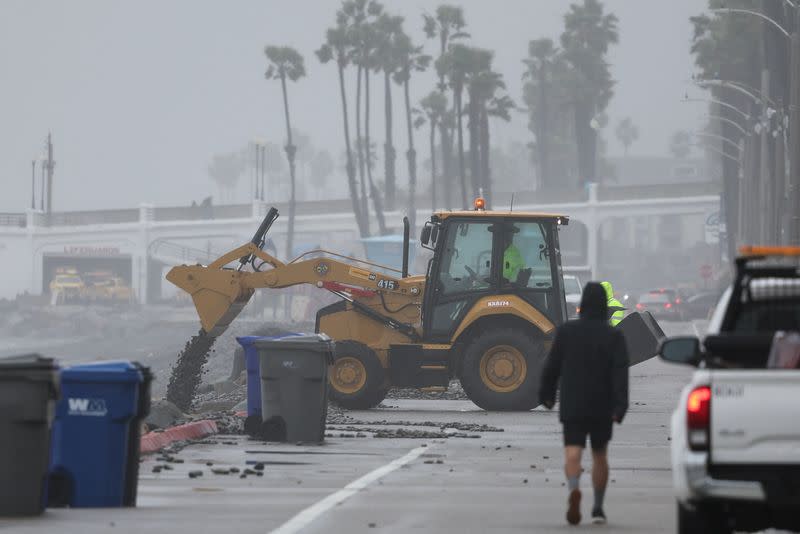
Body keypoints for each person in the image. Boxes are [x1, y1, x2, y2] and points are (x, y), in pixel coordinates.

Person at [539, 282, 629, 526]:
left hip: (573, 402)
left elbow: (551, 367)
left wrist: (545, 395)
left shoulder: (567, 332)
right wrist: (620, 407)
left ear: (582, 305)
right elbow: (620, 373)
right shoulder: (614, 336)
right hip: (602, 404)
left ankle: (574, 490)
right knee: (599, 455)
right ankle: (598, 507)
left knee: (573, 452)